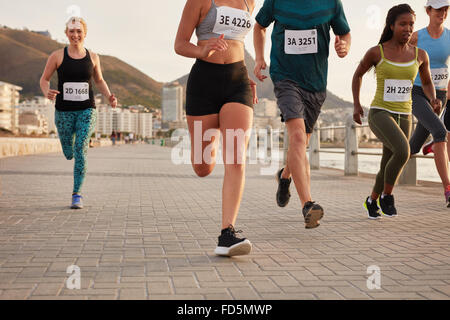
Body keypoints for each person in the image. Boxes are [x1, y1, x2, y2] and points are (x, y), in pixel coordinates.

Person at [253, 0, 351, 229]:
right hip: (285, 78)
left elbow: (345, 33)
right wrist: (259, 58)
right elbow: (259, 26)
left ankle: (285, 176)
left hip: (316, 85)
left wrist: (344, 47)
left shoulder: (331, 4)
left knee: (301, 144)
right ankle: (308, 204)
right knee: (297, 137)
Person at [175, 0, 258, 257]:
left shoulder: (249, 2)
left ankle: (227, 234)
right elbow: (179, 44)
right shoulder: (199, 1)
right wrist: (201, 51)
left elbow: (242, 40)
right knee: (203, 166)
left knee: (236, 159)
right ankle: (212, 137)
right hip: (204, 83)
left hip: (238, 81)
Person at [353, 4, 441, 219]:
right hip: (380, 112)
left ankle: (372, 200)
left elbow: (427, 82)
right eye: (402, 24)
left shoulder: (420, 54)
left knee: (387, 162)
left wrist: (432, 98)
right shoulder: (377, 52)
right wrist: (356, 104)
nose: (408, 28)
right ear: (391, 26)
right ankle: (387, 196)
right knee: (403, 151)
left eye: (411, 24)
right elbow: (357, 75)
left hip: (404, 115)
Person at [40, 17, 118, 209]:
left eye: (79, 31)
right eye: (71, 31)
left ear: (85, 33)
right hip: (64, 112)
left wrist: (109, 96)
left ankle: (77, 194)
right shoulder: (57, 56)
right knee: (69, 152)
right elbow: (44, 79)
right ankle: (69, 146)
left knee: (81, 148)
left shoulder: (93, 57)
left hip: (87, 110)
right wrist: (46, 92)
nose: (75, 35)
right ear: (66, 33)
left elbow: (99, 81)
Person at [408, 0, 450, 206]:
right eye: (438, 10)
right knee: (440, 131)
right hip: (418, 93)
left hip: (439, 95)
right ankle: (449, 189)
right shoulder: (417, 37)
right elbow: (401, 60)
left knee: (412, 147)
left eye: (446, 9)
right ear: (428, 11)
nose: (442, 13)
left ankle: (384, 174)